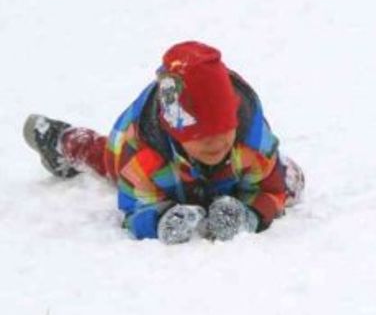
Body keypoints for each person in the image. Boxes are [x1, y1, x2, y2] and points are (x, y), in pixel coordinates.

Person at [22, 41, 304, 244]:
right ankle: (62, 141)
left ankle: (275, 176)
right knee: (107, 160)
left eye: (224, 130)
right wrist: (160, 221)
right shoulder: (143, 156)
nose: (216, 143)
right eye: (201, 136)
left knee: (288, 182)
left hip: (228, 175)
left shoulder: (251, 142)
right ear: (176, 132)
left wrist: (249, 215)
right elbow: (134, 210)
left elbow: (270, 189)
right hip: (151, 163)